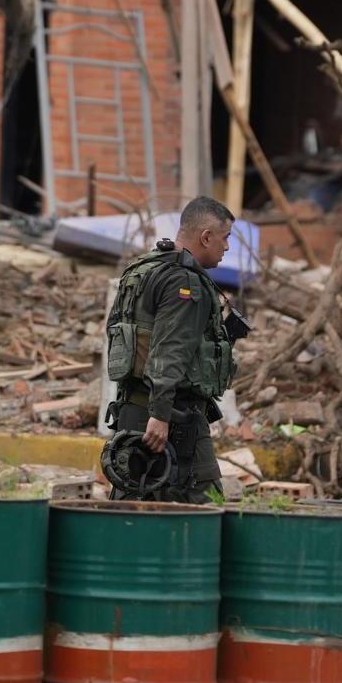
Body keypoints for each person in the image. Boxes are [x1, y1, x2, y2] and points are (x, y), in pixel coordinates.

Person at [102, 196, 240, 503]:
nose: (227, 247)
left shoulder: (144, 269)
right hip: (172, 417)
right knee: (206, 505)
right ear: (206, 237)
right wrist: (161, 415)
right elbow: (170, 350)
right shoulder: (183, 281)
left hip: (133, 410)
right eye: (225, 237)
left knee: (135, 504)